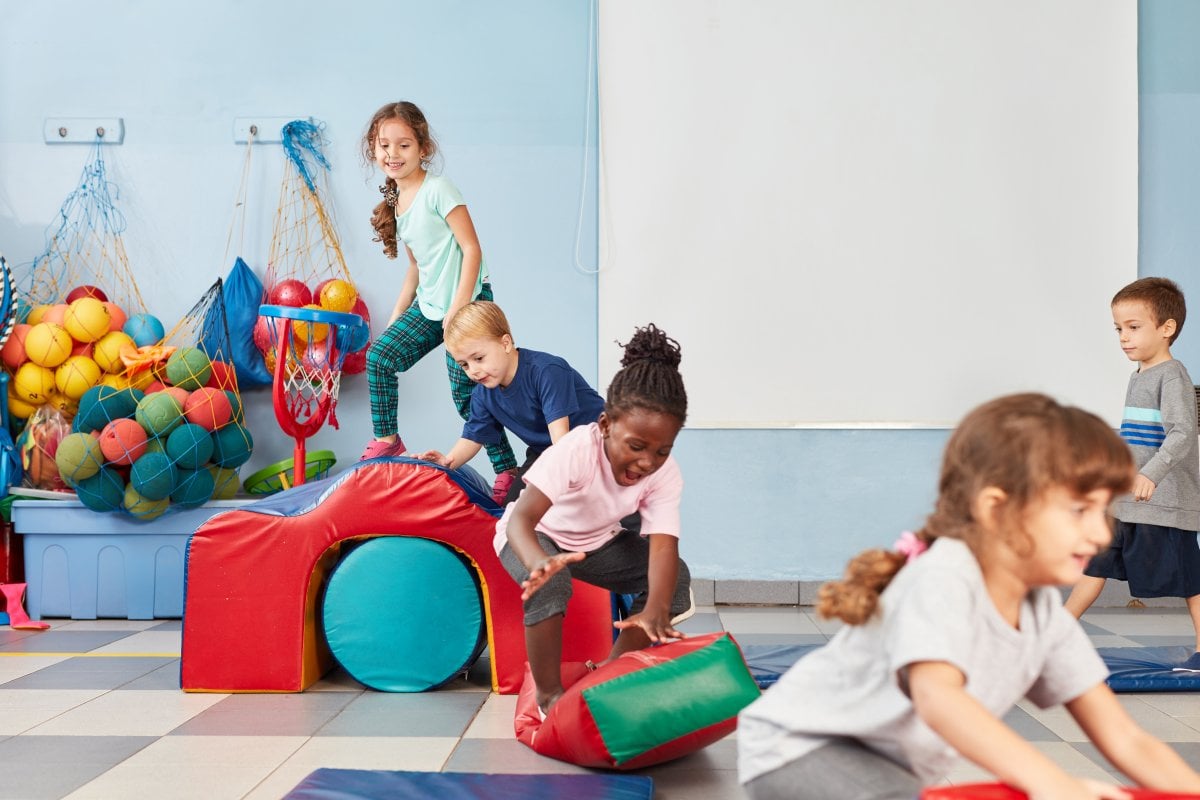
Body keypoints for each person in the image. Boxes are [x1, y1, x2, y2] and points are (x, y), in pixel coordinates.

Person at [737, 393, 1200, 800]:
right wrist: (1054, 782)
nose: (1101, 534)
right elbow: (940, 699)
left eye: (1104, 512)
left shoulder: (1040, 610)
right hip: (802, 746)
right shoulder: (945, 577)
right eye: (1079, 511)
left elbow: (1124, 738)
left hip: (886, 765)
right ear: (998, 509)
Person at [497, 323, 694, 716]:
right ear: (605, 426)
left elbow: (663, 547)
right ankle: (550, 699)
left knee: (675, 580)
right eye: (636, 446)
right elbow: (521, 520)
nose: (647, 462)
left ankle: (610, 673)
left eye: (662, 451)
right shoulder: (577, 450)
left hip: (594, 543)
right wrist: (538, 562)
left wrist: (656, 607)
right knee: (551, 583)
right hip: (532, 536)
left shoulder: (664, 474)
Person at [359, 101, 517, 503]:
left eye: (404, 145)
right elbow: (416, 268)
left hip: (468, 301)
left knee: (467, 395)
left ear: (423, 148)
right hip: (431, 305)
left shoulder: (439, 189)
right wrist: (397, 316)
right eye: (384, 145)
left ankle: (507, 471)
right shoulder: (397, 200)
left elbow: (472, 249)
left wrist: (459, 308)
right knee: (379, 358)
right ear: (373, 149)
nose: (393, 154)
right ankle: (388, 440)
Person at [1065, 277, 1200, 668]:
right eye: (1119, 329)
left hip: (1164, 503)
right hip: (1130, 500)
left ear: (1166, 328)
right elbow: (1137, 438)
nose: (1124, 337)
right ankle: (1051, 639)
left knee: (1191, 581)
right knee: (1096, 565)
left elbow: (1182, 433)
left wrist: (1151, 474)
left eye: (1134, 327)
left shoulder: (1171, 375)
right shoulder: (1140, 373)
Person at [415, 300, 605, 505]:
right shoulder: (483, 394)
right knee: (512, 512)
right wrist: (447, 462)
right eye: (464, 365)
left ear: (505, 343)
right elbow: (472, 437)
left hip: (598, 445)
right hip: (546, 451)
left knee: (591, 504)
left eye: (479, 358)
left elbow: (562, 441)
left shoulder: (546, 371)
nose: (473, 371)